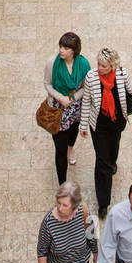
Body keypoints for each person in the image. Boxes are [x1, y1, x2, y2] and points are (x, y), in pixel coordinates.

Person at [79, 47, 132, 219]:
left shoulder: (122, 75)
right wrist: (83, 126)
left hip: (117, 122)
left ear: (113, 66)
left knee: (113, 150)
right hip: (99, 125)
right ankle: (103, 202)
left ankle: (112, 163)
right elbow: (88, 102)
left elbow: (131, 96)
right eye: (98, 64)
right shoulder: (91, 77)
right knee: (102, 162)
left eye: (104, 66)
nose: (99, 68)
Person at [43, 33, 90, 182]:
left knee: (72, 133)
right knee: (60, 149)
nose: (61, 50)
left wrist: (73, 98)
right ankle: (62, 183)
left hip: (75, 108)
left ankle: (72, 148)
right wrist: (60, 98)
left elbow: (86, 87)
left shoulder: (83, 64)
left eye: (65, 48)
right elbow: (47, 84)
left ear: (74, 50)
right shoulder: (52, 63)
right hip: (58, 110)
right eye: (60, 47)